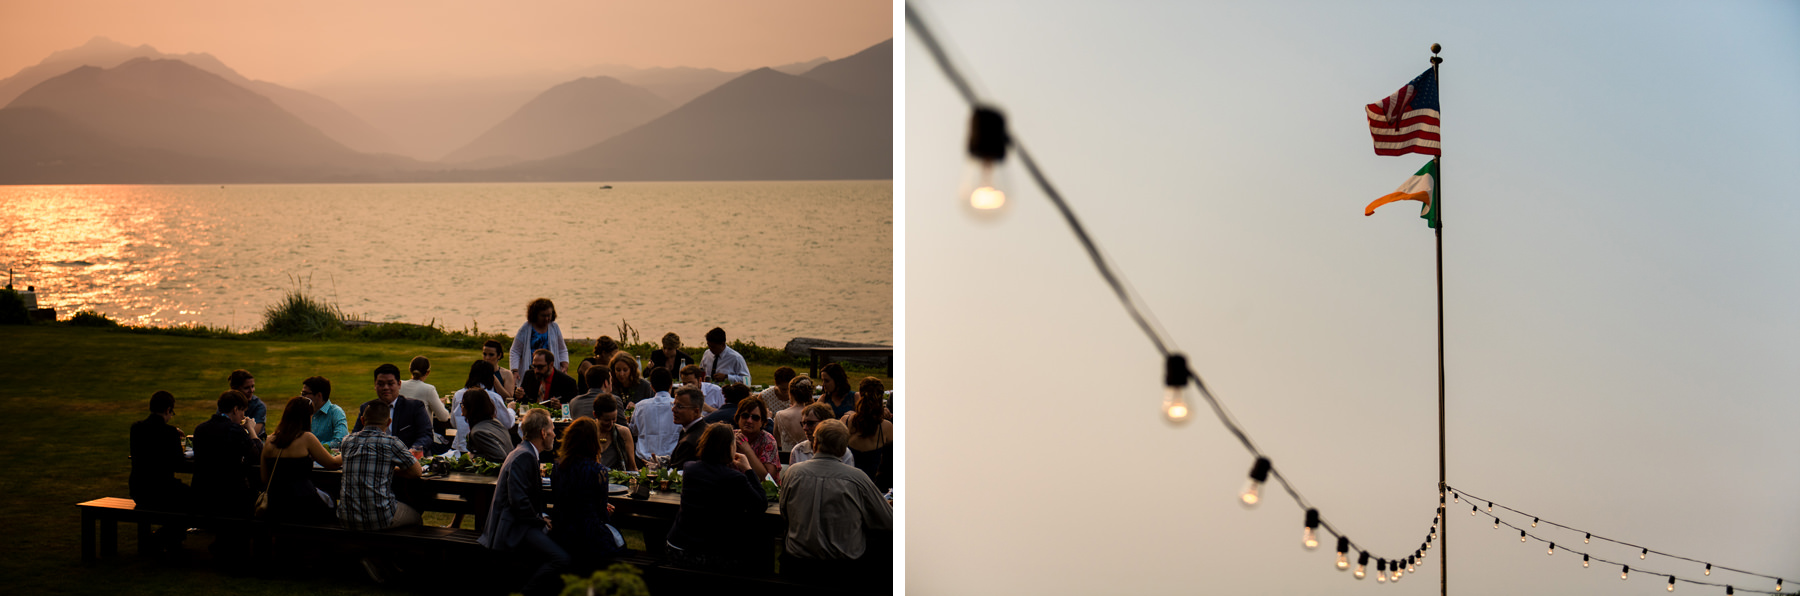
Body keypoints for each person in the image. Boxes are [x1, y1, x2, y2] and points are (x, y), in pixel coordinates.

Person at [778, 418, 892, 583]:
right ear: (843, 449)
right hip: (843, 569)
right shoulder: (857, 478)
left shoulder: (793, 473)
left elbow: (784, 513)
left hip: (798, 564)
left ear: (815, 444)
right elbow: (889, 521)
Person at [480, 409, 568, 596]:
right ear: (543, 433)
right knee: (561, 558)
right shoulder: (524, 456)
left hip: (518, 524)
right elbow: (519, 501)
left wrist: (541, 516)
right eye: (552, 429)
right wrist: (540, 520)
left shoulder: (523, 452)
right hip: (512, 529)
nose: (554, 433)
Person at [667, 423, 769, 572]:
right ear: (728, 447)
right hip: (710, 554)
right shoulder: (733, 478)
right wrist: (748, 469)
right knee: (757, 549)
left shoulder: (690, 468)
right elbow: (760, 504)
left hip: (677, 546)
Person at [338, 400, 424, 531]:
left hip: (346, 517)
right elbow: (417, 472)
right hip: (380, 518)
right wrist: (392, 470)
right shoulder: (391, 443)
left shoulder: (347, 441)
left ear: (362, 420)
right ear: (389, 422)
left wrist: (388, 470)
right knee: (417, 518)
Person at [550, 418, 624, 566]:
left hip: (563, 530)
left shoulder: (558, 467)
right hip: (588, 534)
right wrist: (605, 510)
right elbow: (601, 512)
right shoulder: (598, 471)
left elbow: (559, 498)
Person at [259, 396, 343, 523]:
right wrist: (346, 452)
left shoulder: (270, 440)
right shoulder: (306, 438)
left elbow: (265, 478)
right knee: (330, 501)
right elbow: (333, 464)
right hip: (303, 502)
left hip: (276, 503)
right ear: (306, 417)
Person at [129, 391, 190, 552]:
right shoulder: (169, 433)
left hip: (138, 489)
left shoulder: (136, 429)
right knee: (192, 499)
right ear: (168, 410)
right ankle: (168, 538)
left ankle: (164, 537)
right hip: (162, 490)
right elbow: (178, 463)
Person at [192, 390, 262, 517]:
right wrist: (251, 429)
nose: (243, 416)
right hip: (230, 495)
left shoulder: (200, 429)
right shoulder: (234, 430)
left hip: (202, 492)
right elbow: (256, 455)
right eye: (242, 411)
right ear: (235, 409)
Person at [354, 363, 434, 453]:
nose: (385, 388)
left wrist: (414, 450)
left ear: (399, 384)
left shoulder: (414, 407)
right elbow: (356, 435)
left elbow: (426, 436)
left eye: (390, 383)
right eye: (380, 384)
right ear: (375, 386)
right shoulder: (368, 408)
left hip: (407, 461)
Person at [841, 378, 894, 492]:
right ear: (881, 397)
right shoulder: (886, 427)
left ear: (859, 394)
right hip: (875, 488)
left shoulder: (845, 421)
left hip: (848, 486)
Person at [453, 359, 516, 453]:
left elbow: (454, 423)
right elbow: (507, 423)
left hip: (460, 446)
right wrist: (511, 410)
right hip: (485, 448)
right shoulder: (493, 397)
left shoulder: (458, 395)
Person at [509, 298, 568, 380]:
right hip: (531, 371)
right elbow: (515, 351)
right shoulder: (525, 328)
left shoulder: (554, 327)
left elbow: (562, 349)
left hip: (550, 371)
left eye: (549, 315)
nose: (547, 319)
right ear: (535, 315)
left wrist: (564, 364)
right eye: (543, 316)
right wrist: (515, 370)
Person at [631, 367, 679, 462]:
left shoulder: (640, 406)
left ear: (651, 386)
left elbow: (633, 431)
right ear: (671, 385)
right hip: (671, 459)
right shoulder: (678, 406)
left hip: (644, 459)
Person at [790, 401, 855, 466]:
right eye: (803, 423)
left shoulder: (843, 453)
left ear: (825, 423)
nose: (805, 428)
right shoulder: (798, 451)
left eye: (810, 423)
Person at [463, 383, 514, 463]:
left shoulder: (478, 432)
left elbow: (500, 457)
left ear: (470, 408)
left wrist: (473, 456)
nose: (461, 407)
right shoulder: (496, 423)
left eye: (463, 404)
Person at [734, 396, 781, 479]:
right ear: (738, 417)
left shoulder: (768, 440)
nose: (749, 421)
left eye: (755, 418)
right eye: (745, 416)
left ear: (762, 421)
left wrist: (747, 449)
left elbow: (768, 479)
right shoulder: (730, 436)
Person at [401, 356, 453, 428]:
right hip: (422, 435)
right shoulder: (429, 389)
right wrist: (441, 404)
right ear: (428, 372)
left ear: (410, 369)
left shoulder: (399, 385)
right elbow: (443, 417)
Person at [591, 396, 638, 472]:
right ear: (595, 415)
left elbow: (632, 467)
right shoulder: (588, 433)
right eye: (606, 420)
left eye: (614, 419)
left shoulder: (623, 433)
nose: (611, 423)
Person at [666, 386, 708, 469]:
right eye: (673, 405)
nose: (673, 410)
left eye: (680, 407)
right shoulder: (706, 429)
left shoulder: (689, 442)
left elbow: (676, 473)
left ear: (696, 411)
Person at [303, 376, 349, 449]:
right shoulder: (302, 412)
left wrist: (313, 447)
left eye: (305, 394)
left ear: (319, 395)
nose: (302, 397)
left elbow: (341, 440)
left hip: (327, 459)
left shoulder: (336, 412)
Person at [772, 376, 814, 452]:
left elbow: (777, 442)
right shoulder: (814, 415)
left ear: (790, 394)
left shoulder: (780, 415)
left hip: (786, 460)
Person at [227, 369, 268, 437]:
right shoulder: (226, 403)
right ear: (235, 389)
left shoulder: (258, 406)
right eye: (246, 388)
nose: (251, 390)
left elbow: (254, 433)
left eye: (252, 386)